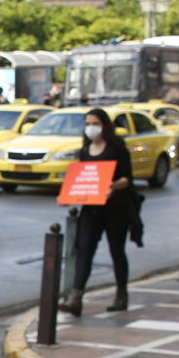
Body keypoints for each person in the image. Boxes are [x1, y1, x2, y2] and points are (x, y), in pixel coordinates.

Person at [63, 106, 133, 314]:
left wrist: (113, 186)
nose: (91, 128)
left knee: (117, 251)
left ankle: (121, 295)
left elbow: (127, 179)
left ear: (104, 126)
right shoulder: (85, 151)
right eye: (88, 124)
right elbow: (83, 178)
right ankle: (76, 298)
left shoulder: (116, 148)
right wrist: (69, 194)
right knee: (84, 251)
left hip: (115, 209)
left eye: (95, 124)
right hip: (91, 209)